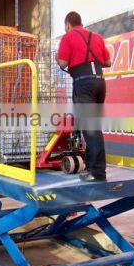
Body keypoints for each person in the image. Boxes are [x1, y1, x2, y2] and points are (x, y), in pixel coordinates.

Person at [57, 11, 111, 182]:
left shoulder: (67, 38)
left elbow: (64, 63)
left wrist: (57, 58)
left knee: (90, 129)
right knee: (93, 127)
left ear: (67, 25)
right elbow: (108, 62)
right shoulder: (96, 37)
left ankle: (97, 173)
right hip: (100, 83)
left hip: (84, 83)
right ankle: (91, 166)